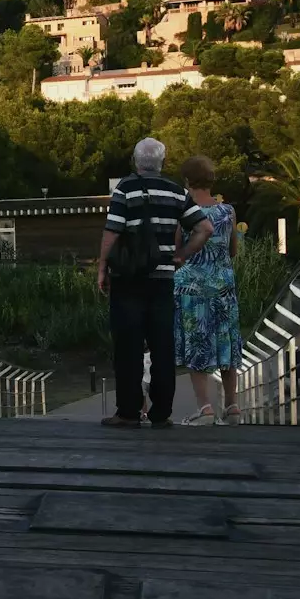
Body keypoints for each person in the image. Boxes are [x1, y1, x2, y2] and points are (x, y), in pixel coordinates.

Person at [96, 138, 211, 428]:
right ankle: (161, 413)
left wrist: (102, 267)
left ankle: (128, 412)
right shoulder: (176, 192)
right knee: (162, 345)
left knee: (128, 346)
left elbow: (112, 230)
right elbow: (204, 228)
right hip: (162, 280)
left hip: (128, 278)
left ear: (136, 161)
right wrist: (182, 255)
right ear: (162, 162)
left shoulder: (125, 188)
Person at [172, 155, 243, 425]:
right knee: (226, 339)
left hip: (192, 285)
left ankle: (205, 407)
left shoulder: (185, 212)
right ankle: (233, 405)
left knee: (197, 340)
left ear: (187, 181)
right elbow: (233, 250)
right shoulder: (228, 211)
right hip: (223, 283)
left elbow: (177, 250)